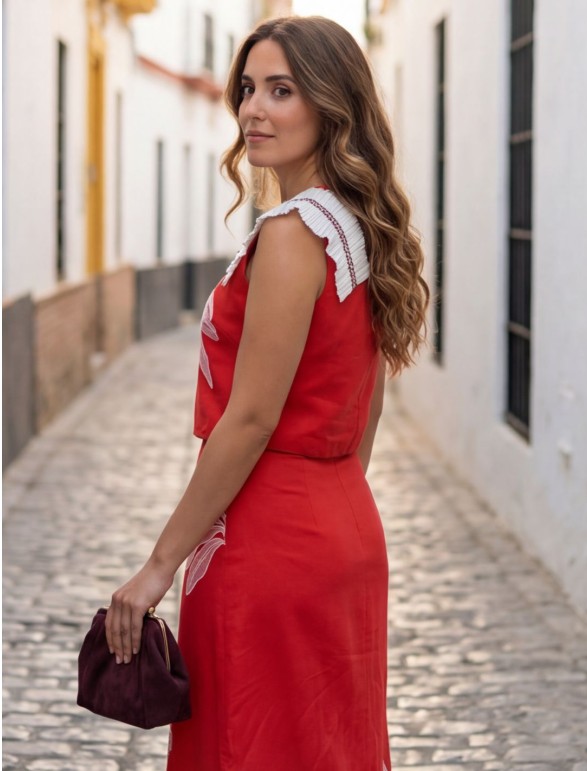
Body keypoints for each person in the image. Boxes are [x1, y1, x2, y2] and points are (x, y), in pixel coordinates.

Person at [106, 15, 429, 771]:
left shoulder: (290, 232)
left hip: (268, 544)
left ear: (330, 105)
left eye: (282, 90)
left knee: (251, 748)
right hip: (343, 526)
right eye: (248, 88)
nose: (253, 108)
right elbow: (367, 412)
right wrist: (322, 506)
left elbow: (249, 418)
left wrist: (158, 566)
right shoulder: (358, 229)